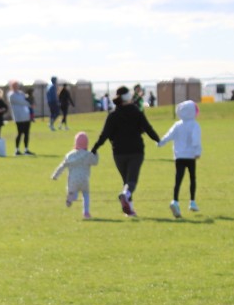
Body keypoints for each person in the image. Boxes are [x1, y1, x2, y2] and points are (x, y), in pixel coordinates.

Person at [91, 85, 160, 217]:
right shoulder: (136, 112)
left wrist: (94, 148)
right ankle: (125, 195)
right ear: (128, 97)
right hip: (136, 151)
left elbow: (104, 135)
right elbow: (148, 128)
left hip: (118, 153)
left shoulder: (113, 115)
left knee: (126, 181)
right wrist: (158, 140)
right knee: (131, 181)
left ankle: (130, 210)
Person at [157, 99, 202, 217]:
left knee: (178, 179)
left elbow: (169, 135)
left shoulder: (177, 125)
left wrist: (161, 142)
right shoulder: (194, 125)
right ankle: (192, 201)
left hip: (179, 156)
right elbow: (196, 140)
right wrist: (197, 152)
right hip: (190, 156)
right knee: (192, 178)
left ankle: (175, 200)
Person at [52, 131, 98, 219]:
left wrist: (55, 175)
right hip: (84, 179)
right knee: (86, 195)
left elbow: (62, 166)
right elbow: (95, 162)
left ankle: (71, 198)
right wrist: (95, 153)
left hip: (73, 179)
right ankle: (86, 212)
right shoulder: (88, 155)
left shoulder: (70, 155)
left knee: (73, 191)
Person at [7, 80, 34, 155]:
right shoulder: (11, 95)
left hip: (26, 115)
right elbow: (22, 102)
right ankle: (17, 149)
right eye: (14, 85)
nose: (16, 87)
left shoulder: (21, 93)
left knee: (26, 133)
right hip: (18, 116)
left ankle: (26, 149)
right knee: (20, 133)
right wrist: (29, 104)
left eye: (17, 85)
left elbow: (26, 99)